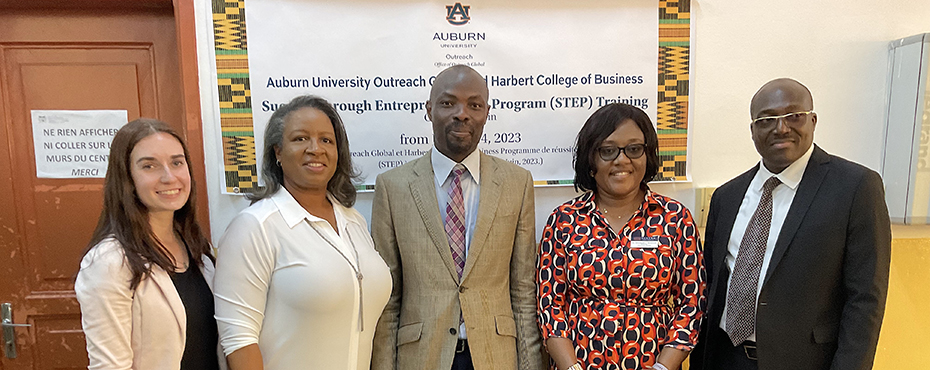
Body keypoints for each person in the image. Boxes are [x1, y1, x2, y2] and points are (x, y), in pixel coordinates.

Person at [689, 78, 891, 370]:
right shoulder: (726, 197)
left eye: (794, 116)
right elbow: (711, 288)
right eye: (767, 120)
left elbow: (865, 299)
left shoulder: (856, 187)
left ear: (813, 120)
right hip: (725, 358)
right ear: (753, 130)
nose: (781, 128)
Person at [370, 65, 543, 370]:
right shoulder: (393, 187)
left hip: (495, 356)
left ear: (486, 113)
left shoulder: (517, 183)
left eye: (474, 105)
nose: (462, 114)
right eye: (448, 103)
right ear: (429, 109)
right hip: (421, 356)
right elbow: (388, 298)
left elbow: (523, 292)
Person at [212, 95, 391, 370]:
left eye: (326, 140)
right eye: (300, 139)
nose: (315, 149)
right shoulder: (255, 227)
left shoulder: (353, 221)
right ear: (278, 152)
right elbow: (238, 341)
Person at [537, 103, 706, 370]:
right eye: (608, 150)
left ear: (648, 155)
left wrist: (663, 368)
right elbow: (550, 304)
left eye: (634, 149)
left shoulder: (675, 218)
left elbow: (692, 303)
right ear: (591, 159)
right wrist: (571, 368)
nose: (622, 160)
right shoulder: (564, 220)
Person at [75, 118, 224, 370]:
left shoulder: (199, 248)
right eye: (149, 166)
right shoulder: (109, 262)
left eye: (177, 163)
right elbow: (109, 366)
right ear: (127, 179)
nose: (169, 177)